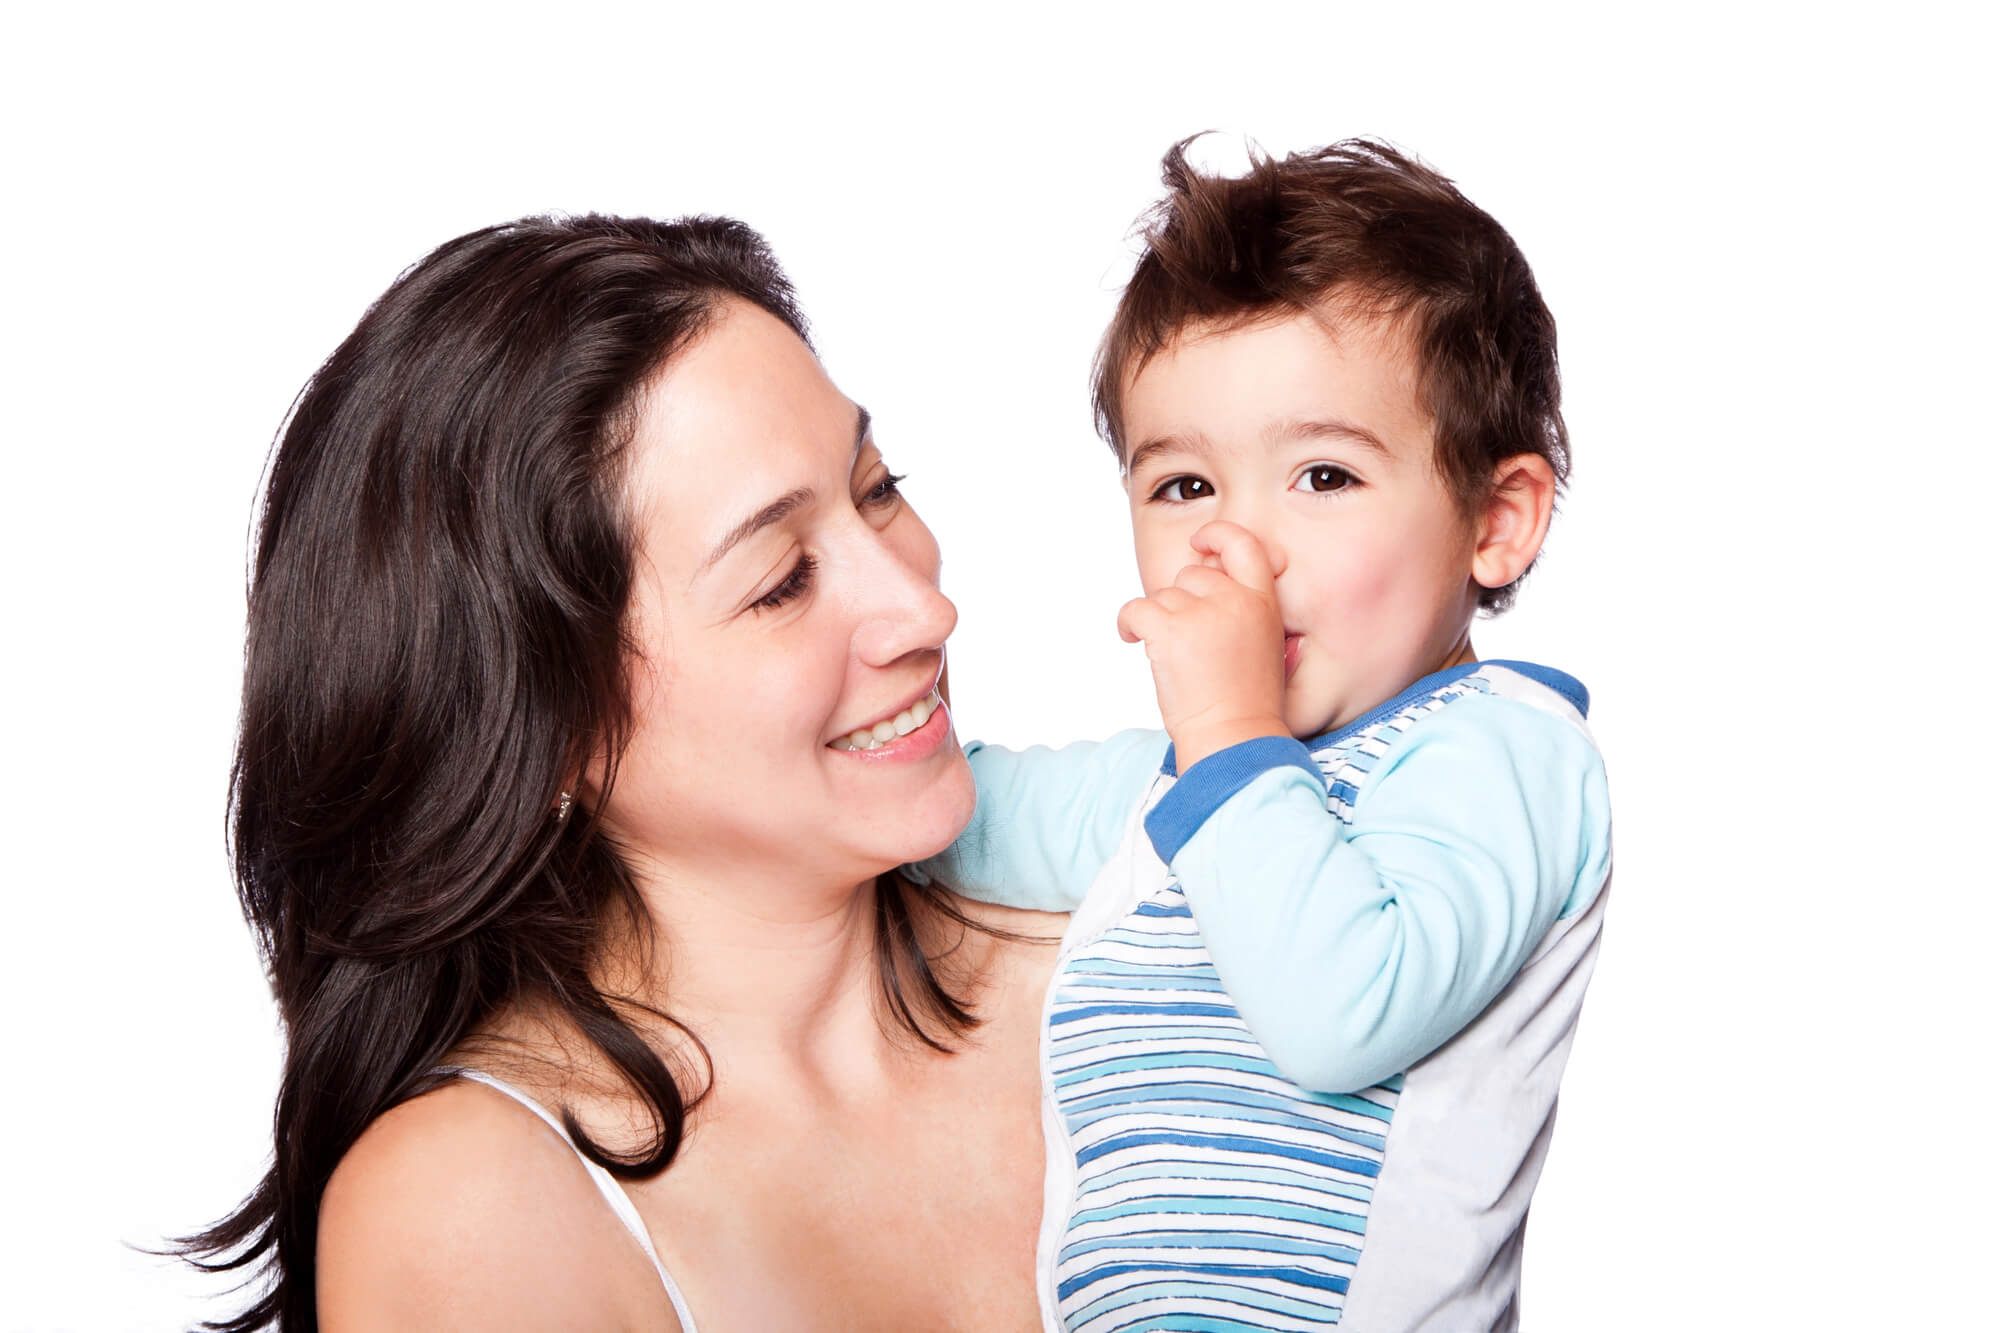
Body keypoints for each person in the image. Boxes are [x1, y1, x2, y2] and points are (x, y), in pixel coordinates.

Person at [179, 214, 1059, 1331]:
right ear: (550, 730)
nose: (921, 608)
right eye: (781, 580)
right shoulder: (480, 1211)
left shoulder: (1140, 948)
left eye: (877, 486)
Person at [917, 140, 1614, 1331]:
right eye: (1183, 486)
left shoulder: (1507, 755)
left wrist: (1230, 728)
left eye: (1323, 476)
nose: (1238, 549)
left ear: (1495, 523)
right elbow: (943, 821)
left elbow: (1341, 1013)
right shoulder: (1178, 787)